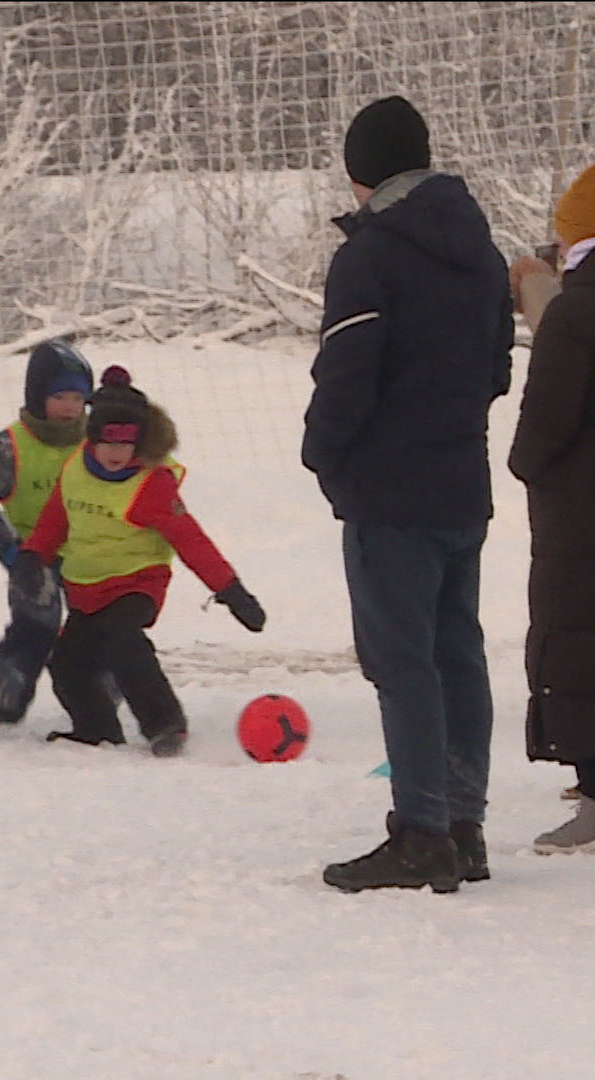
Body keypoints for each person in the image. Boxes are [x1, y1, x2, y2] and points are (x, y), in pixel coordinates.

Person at [302, 97, 513, 892]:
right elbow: (497, 370)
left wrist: (323, 454)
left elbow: (345, 380)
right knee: (458, 654)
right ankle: (465, 826)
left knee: (403, 663)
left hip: (391, 496)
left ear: (361, 172)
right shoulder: (482, 251)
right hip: (462, 485)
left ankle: (421, 835)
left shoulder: (371, 258)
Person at [16, 367, 264, 758]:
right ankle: (97, 729)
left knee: (124, 641)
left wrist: (230, 591)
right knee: (66, 665)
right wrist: (32, 556)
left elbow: (192, 541)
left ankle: (166, 725)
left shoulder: (151, 483)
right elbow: (54, 521)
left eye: (126, 444)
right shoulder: (75, 468)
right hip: (85, 586)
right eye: (107, 443)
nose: (117, 453)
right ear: (92, 438)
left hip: (136, 582)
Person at [508, 164, 595, 853]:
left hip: (581, 518)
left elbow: (545, 425)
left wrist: (525, 463)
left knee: (578, 642)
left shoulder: (573, 314)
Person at [0, 339, 99, 735]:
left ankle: (99, 707)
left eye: (77, 398)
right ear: (37, 396)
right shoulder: (9, 446)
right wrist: (10, 551)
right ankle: (0, 707)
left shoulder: (97, 443)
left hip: (87, 554)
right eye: (59, 396)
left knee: (99, 628)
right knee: (34, 626)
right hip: (31, 556)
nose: (69, 407)